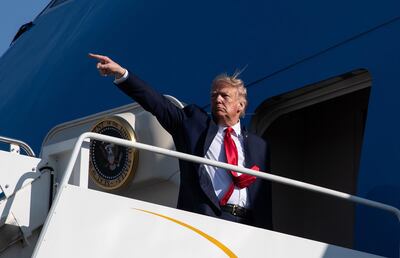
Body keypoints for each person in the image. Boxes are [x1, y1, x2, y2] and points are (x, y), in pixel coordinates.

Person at [89, 53, 273, 229]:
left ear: (240, 105)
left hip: (248, 226)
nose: (217, 99)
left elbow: (263, 200)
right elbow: (157, 103)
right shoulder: (193, 125)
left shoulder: (259, 146)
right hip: (207, 220)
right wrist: (122, 74)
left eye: (224, 96)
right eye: (213, 95)